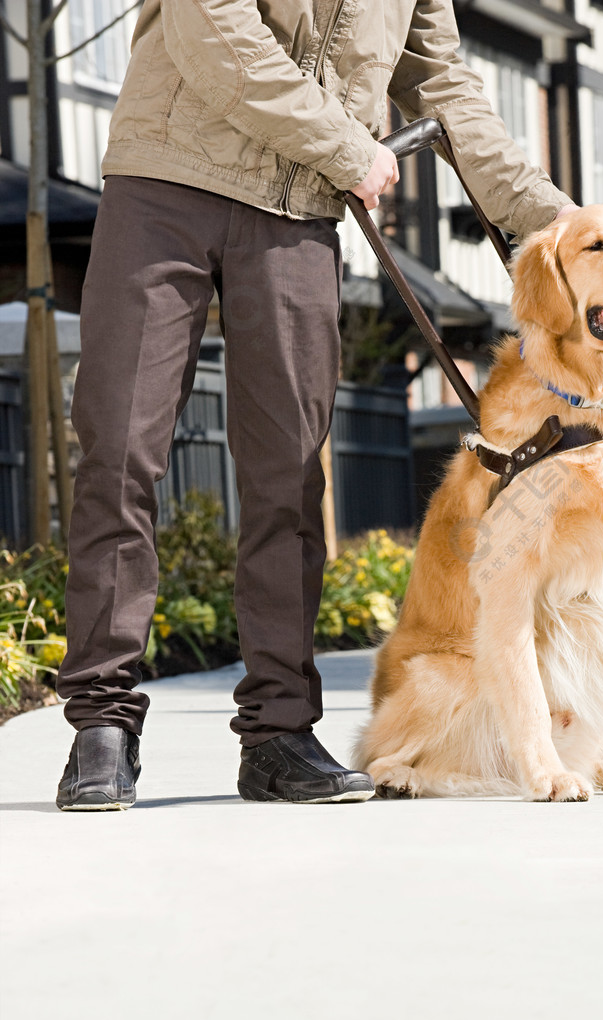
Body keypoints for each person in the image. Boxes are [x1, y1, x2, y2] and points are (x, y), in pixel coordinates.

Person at [55, 0, 575, 810]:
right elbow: (212, 29)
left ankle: (279, 735)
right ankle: (102, 726)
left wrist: (563, 226)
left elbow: (444, 86)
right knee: (120, 450)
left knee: (289, 477)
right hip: (167, 183)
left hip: (298, 213)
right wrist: (344, 147)